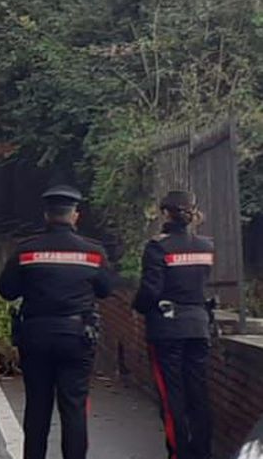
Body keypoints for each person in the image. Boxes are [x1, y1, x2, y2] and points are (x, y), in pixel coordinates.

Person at [0, 185, 113, 459]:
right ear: (75, 215)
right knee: (73, 407)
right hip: (76, 337)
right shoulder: (94, 252)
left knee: (37, 407)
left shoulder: (27, 250)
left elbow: (7, 290)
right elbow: (106, 290)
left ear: (47, 215)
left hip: (36, 336)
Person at [133, 190, 215, 459]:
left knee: (172, 396)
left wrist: (138, 307)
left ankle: (178, 453)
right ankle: (202, 452)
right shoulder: (206, 246)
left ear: (165, 213)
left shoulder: (158, 247)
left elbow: (151, 291)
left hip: (167, 330)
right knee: (199, 392)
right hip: (199, 326)